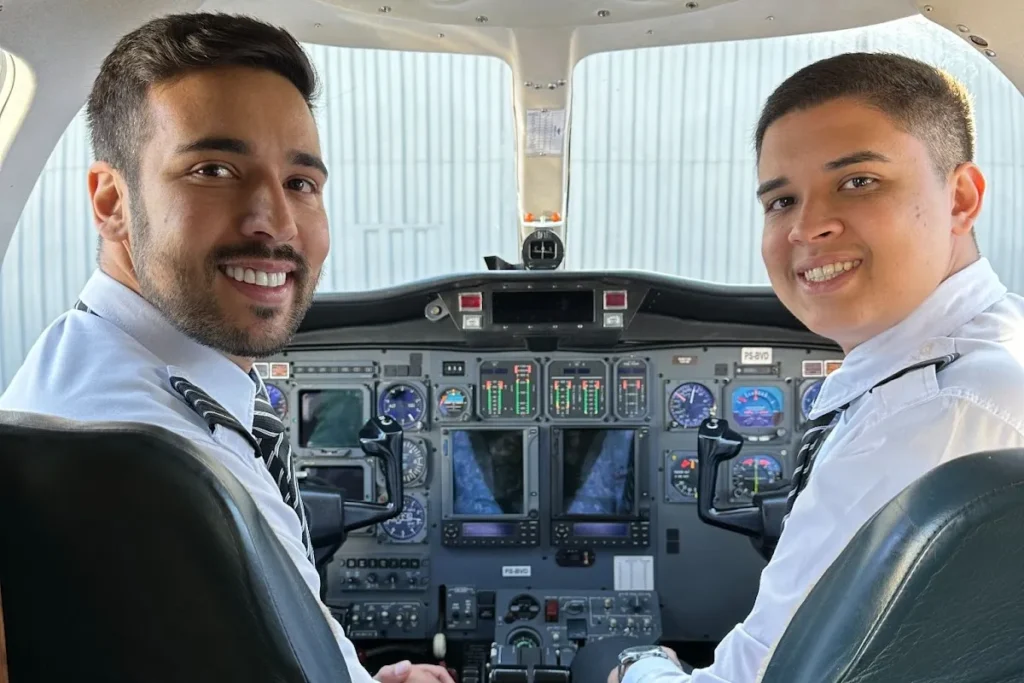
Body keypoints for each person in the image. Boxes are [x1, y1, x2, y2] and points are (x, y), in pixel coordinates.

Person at [0, 13, 453, 683]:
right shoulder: (153, 464)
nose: (273, 222)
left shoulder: (79, 373)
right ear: (111, 200)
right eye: (214, 169)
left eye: (301, 183)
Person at [597, 52, 1024, 682]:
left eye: (858, 182)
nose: (808, 226)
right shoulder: (992, 348)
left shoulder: (923, 415)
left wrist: (635, 664)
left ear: (960, 197)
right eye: (782, 200)